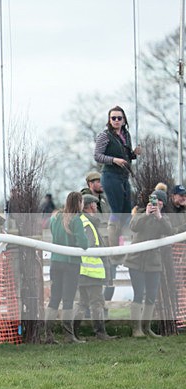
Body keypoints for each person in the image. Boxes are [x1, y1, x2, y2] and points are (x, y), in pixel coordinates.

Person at [124, 190, 172, 338]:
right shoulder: (139, 213)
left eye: (159, 201)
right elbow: (133, 226)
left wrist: (159, 217)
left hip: (153, 263)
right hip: (136, 260)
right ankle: (136, 329)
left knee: (151, 295)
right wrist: (146, 214)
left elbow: (169, 232)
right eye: (154, 200)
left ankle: (147, 328)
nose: (156, 204)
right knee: (138, 294)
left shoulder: (165, 218)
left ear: (163, 204)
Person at [94, 105, 142, 248]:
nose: (116, 120)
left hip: (124, 176)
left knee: (127, 209)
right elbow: (97, 156)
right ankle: (114, 245)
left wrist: (134, 153)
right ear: (109, 120)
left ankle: (125, 241)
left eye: (119, 118)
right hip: (110, 175)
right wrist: (114, 160)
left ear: (123, 120)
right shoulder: (104, 136)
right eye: (113, 118)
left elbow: (127, 156)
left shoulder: (126, 134)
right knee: (117, 210)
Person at [44, 191, 89, 344]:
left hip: (55, 262)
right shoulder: (76, 220)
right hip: (71, 264)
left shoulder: (55, 217)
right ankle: (69, 336)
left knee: (54, 300)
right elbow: (84, 244)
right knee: (68, 300)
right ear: (79, 203)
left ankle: (47, 335)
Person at [73, 195, 115, 340]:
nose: (97, 207)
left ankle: (73, 332)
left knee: (83, 303)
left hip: (84, 271)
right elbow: (89, 246)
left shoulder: (84, 221)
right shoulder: (87, 223)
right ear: (90, 206)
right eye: (95, 205)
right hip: (91, 271)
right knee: (96, 303)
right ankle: (100, 333)